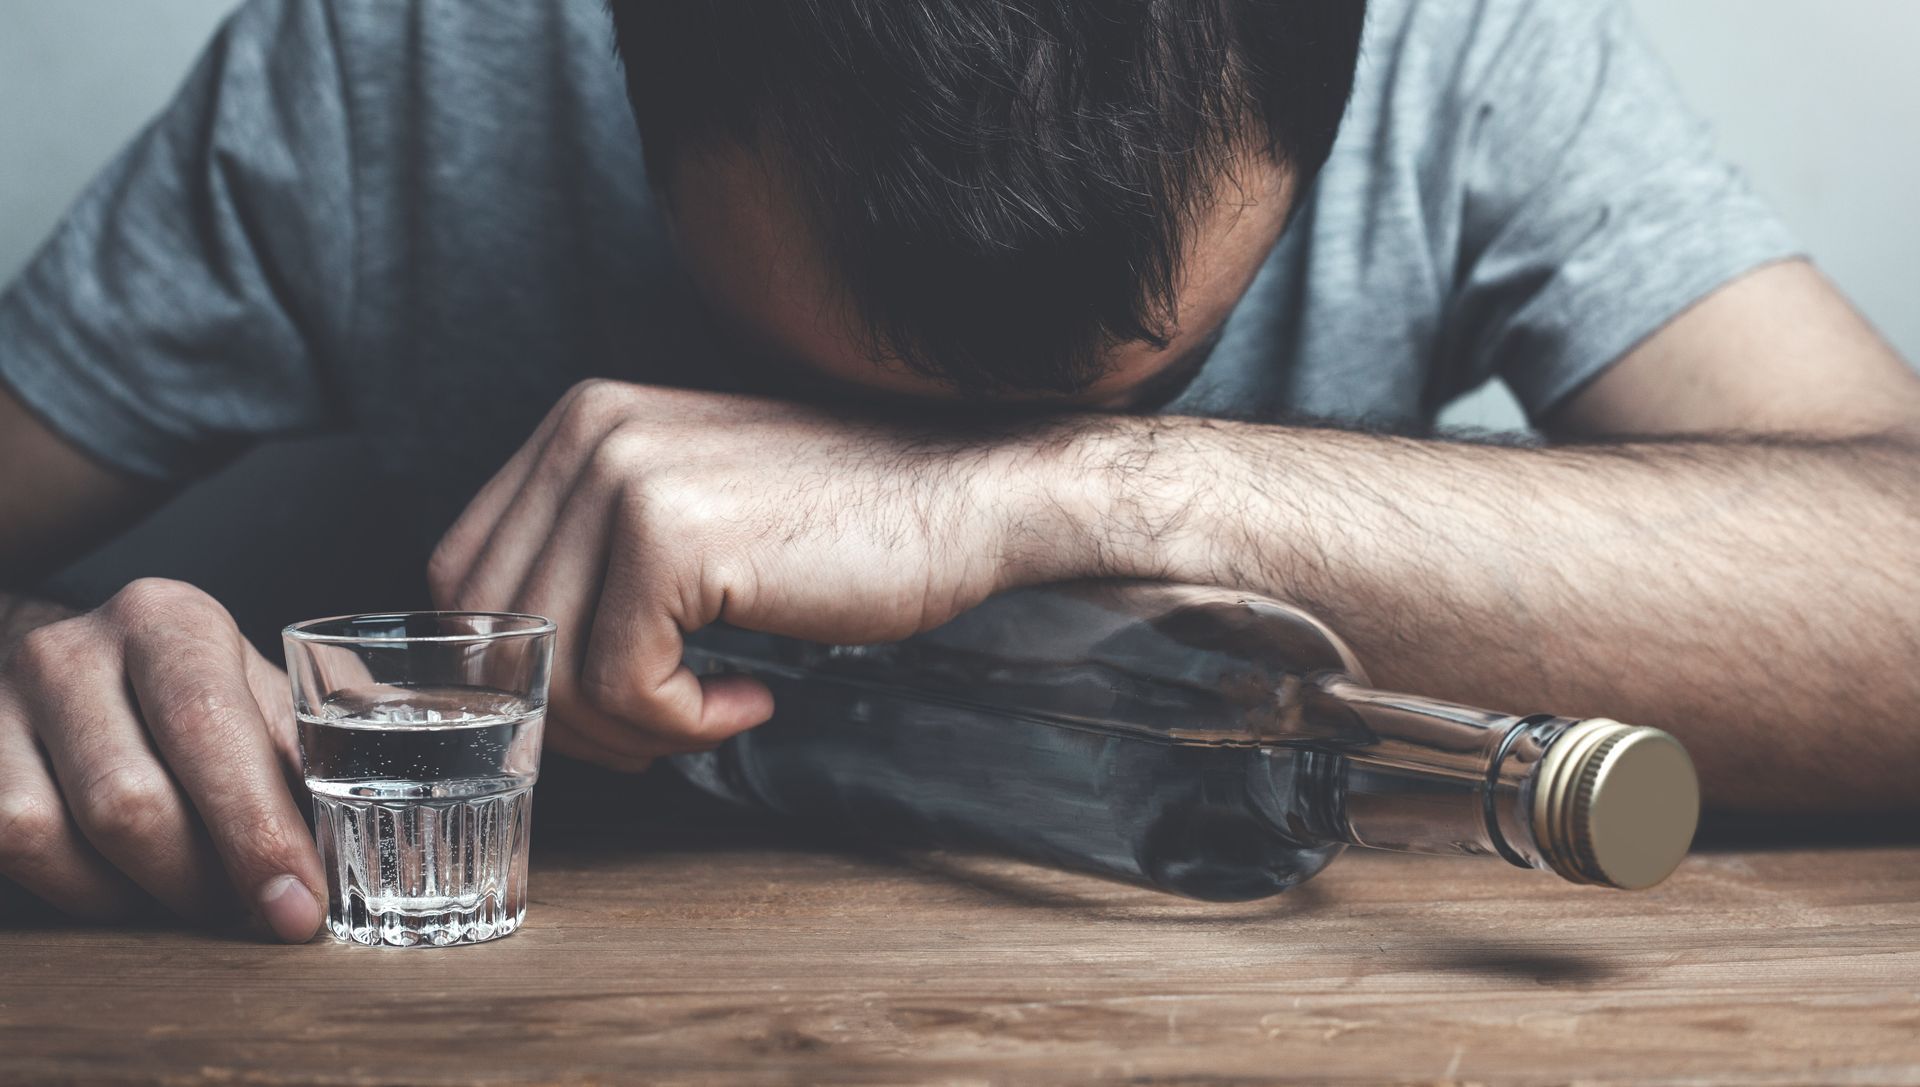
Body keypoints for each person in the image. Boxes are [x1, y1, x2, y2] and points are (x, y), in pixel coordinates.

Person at [1, 0, 1915, 943]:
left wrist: (1107, 493)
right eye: (796, 385)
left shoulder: (1460, 50)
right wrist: (52, 680)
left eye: (1158, 376)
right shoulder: (392, 60)